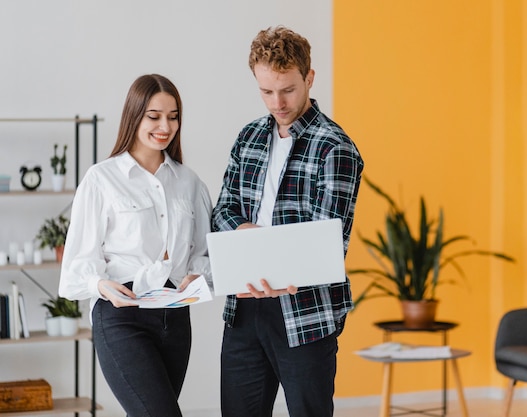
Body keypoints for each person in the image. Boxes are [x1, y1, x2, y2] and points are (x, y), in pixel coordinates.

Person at [212, 26, 364, 417]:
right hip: (244, 308)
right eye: (266, 91)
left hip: (305, 311)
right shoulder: (248, 138)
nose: (277, 102)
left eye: (288, 89)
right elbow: (223, 211)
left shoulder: (336, 147)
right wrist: (246, 234)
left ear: (309, 79)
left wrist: (263, 256)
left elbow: (328, 241)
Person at [58, 74, 213, 417]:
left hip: (175, 317)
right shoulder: (102, 179)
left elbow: (205, 252)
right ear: (134, 116)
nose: (165, 126)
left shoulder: (190, 183)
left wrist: (198, 276)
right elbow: (75, 264)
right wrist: (99, 284)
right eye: (154, 116)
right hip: (121, 315)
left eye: (173, 117)